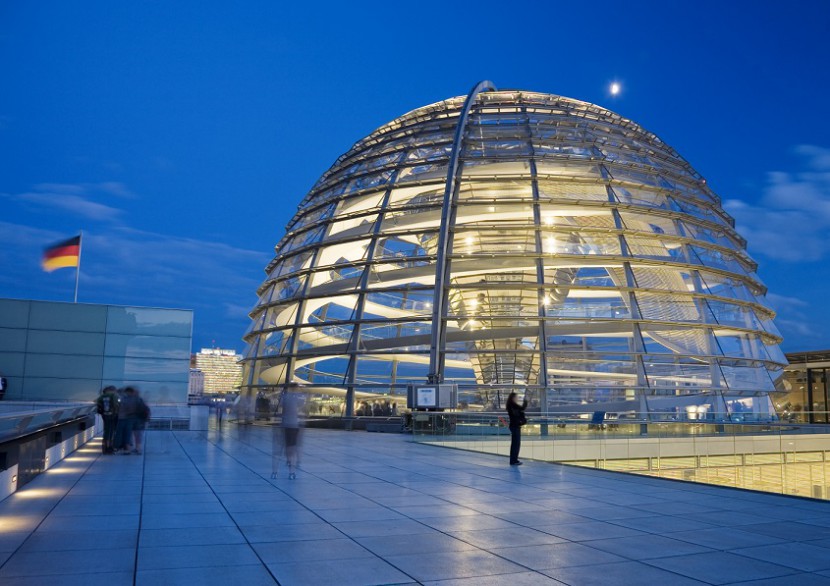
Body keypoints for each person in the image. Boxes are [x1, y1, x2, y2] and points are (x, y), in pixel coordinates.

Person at [281, 391, 303, 479]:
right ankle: (292, 464)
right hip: (293, 425)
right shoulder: (296, 398)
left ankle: (290, 461)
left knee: (289, 445)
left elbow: (280, 407)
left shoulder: (286, 397)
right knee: (293, 445)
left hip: (289, 425)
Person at [114, 386, 140, 454]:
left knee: (122, 433)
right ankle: (130, 448)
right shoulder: (136, 399)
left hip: (123, 418)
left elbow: (120, 408)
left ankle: (122, 448)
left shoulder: (123, 399)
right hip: (130, 418)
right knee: (129, 433)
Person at [95, 385, 120, 454]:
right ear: (112, 390)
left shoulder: (101, 397)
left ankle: (104, 448)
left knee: (106, 431)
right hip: (113, 415)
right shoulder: (114, 395)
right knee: (112, 431)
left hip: (105, 415)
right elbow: (116, 404)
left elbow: (97, 404)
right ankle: (110, 448)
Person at [506, 392, 528, 466]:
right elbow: (520, 410)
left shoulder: (511, 405)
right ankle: (514, 460)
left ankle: (514, 460)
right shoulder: (512, 405)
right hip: (515, 426)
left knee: (515, 444)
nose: (517, 398)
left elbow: (521, 409)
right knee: (516, 444)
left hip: (514, 426)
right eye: (516, 397)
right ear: (513, 398)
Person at [132, 388, 150, 455]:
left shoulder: (135, 400)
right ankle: (137, 448)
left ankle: (138, 449)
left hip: (137, 420)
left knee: (137, 435)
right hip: (140, 420)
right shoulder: (141, 400)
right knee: (138, 435)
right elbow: (147, 410)